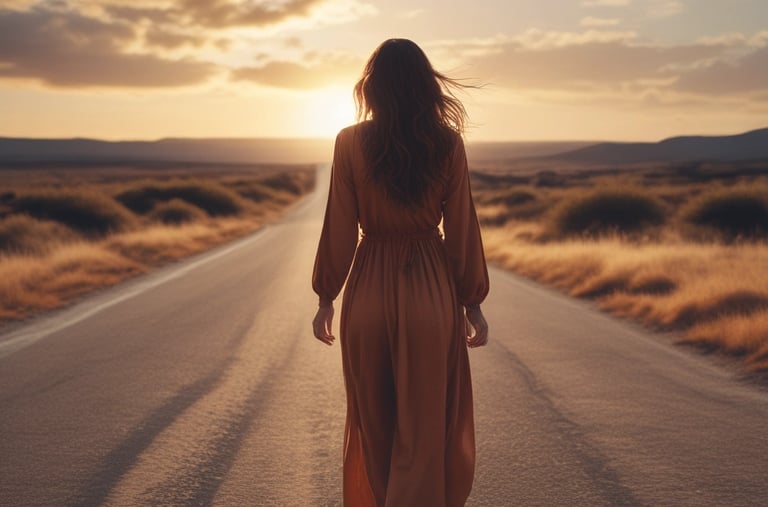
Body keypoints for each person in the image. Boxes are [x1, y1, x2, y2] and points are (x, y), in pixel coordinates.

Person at [311, 38, 489, 507]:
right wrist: (472, 303)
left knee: (375, 426)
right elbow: (463, 228)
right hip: (430, 292)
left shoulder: (349, 142)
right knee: (427, 427)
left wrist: (326, 297)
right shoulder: (447, 144)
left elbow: (339, 226)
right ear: (426, 86)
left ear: (372, 87)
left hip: (368, 289)